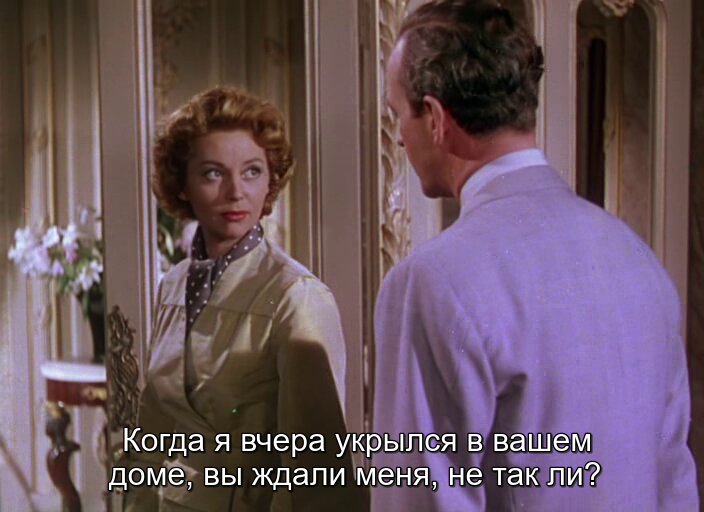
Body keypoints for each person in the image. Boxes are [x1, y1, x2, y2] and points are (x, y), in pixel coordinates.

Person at [372, 1, 699, 510]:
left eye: (398, 114)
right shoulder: (638, 260)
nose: (397, 136)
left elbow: (420, 497)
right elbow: (674, 482)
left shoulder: (432, 282)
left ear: (434, 118)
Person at [123, 86, 365, 511]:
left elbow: (320, 474)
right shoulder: (173, 285)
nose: (236, 192)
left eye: (252, 171)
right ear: (183, 185)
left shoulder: (296, 297)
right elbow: (152, 438)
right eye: (213, 173)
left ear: (270, 180)